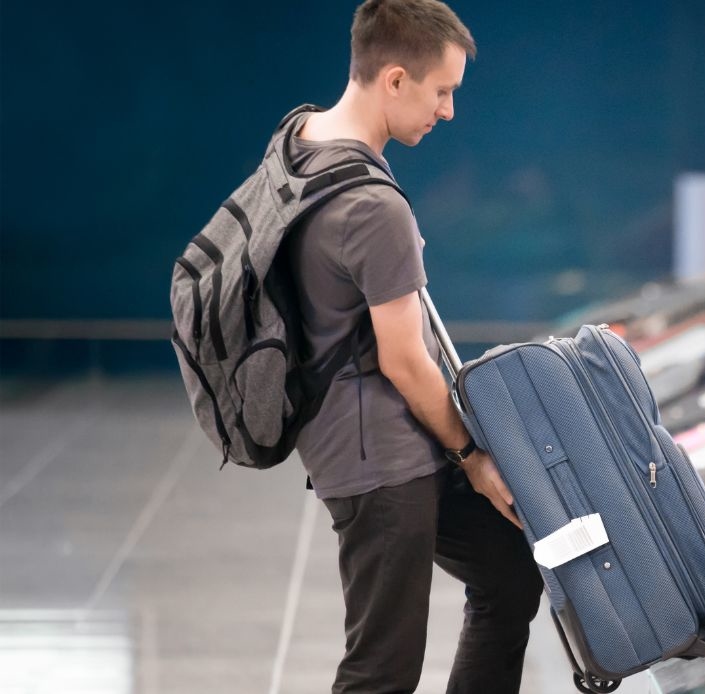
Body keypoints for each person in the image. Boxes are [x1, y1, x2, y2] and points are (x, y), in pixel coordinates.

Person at [283, 1, 543, 691]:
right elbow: (403, 359)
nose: (449, 111)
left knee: (508, 573)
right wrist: (473, 457)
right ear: (394, 79)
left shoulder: (298, 139)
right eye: (442, 92)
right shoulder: (372, 207)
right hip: (379, 462)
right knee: (382, 670)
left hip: (382, 438)